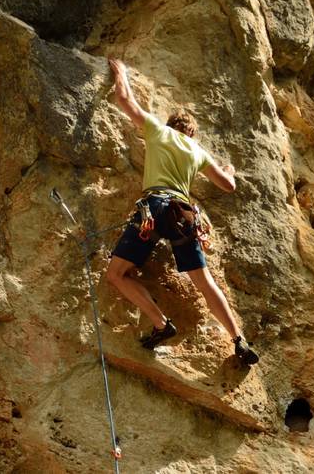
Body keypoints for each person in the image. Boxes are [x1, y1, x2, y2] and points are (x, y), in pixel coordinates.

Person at [105, 58, 258, 365]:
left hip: (154, 208)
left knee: (117, 274)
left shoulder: (159, 131)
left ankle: (161, 324)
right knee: (205, 282)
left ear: (172, 125)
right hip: (184, 215)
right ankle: (238, 340)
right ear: (192, 133)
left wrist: (121, 73)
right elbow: (228, 184)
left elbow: (125, 100)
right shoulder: (197, 150)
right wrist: (229, 168)